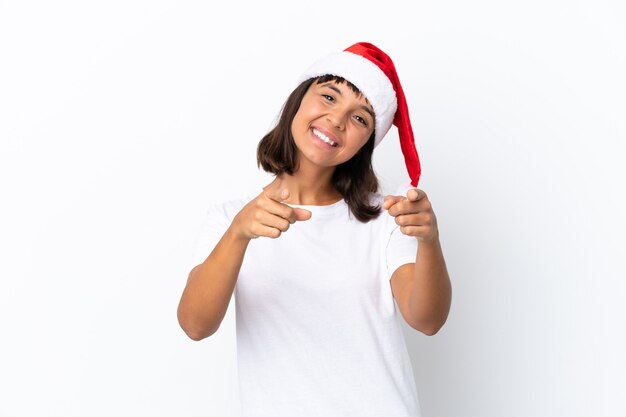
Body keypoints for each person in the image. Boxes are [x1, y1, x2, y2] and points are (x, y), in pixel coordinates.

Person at [177, 42, 452, 417]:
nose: (337, 120)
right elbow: (195, 325)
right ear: (298, 100)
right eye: (328, 96)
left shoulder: (386, 217)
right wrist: (240, 233)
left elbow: (427, 320)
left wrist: (429, 241)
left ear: (365, 144)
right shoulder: (230, 219)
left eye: (360, 118)